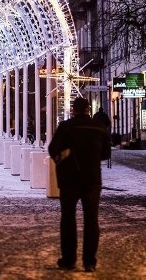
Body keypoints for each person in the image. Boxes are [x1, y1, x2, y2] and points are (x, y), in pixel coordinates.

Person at [48, 97, 111, 273]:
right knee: (91, 220)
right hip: (91, 179)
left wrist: (63, 159)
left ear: (73, 110)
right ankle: (89, 262)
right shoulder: (99, 128)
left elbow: (53, 149)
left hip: (69, 179)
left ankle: (69, 259)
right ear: (88, 109)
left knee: (68, 219)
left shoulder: (66, 127)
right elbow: (106, 153)